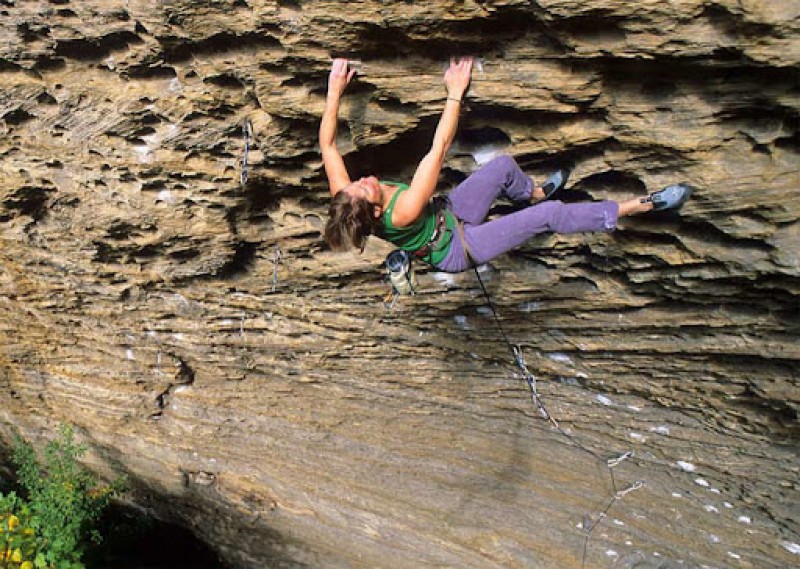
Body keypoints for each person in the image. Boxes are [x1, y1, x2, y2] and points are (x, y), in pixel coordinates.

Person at [320, 57, 691, 273]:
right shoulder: (403, 210)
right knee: (549, 216)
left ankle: (534, 192)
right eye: (365, 187)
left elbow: (328, 144)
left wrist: (335, 90)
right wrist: (454, 92)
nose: (366, 179)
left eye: (356, 183)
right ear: (378, 209)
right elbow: (439, 146)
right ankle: (638, 206)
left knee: (502, 168)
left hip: (447, 216)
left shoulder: (349, 198)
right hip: (453, 249)